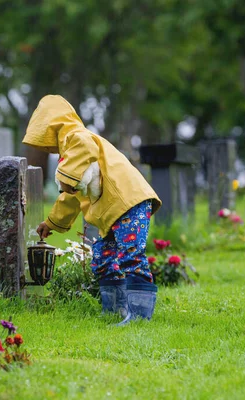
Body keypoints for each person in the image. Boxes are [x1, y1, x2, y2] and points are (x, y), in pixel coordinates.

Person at [22, 95, 162, 324]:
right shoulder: (71, 151)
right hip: (112, 211)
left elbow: (83, 156)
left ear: (53, 127)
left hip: (128, 202)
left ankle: (139, 315)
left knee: (130, 255)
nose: (48, 148)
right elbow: (71, 197)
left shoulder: (78, 137)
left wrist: (66, 176)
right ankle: (114, 311)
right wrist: (51, 223)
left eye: (46, 141)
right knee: (103, 258)